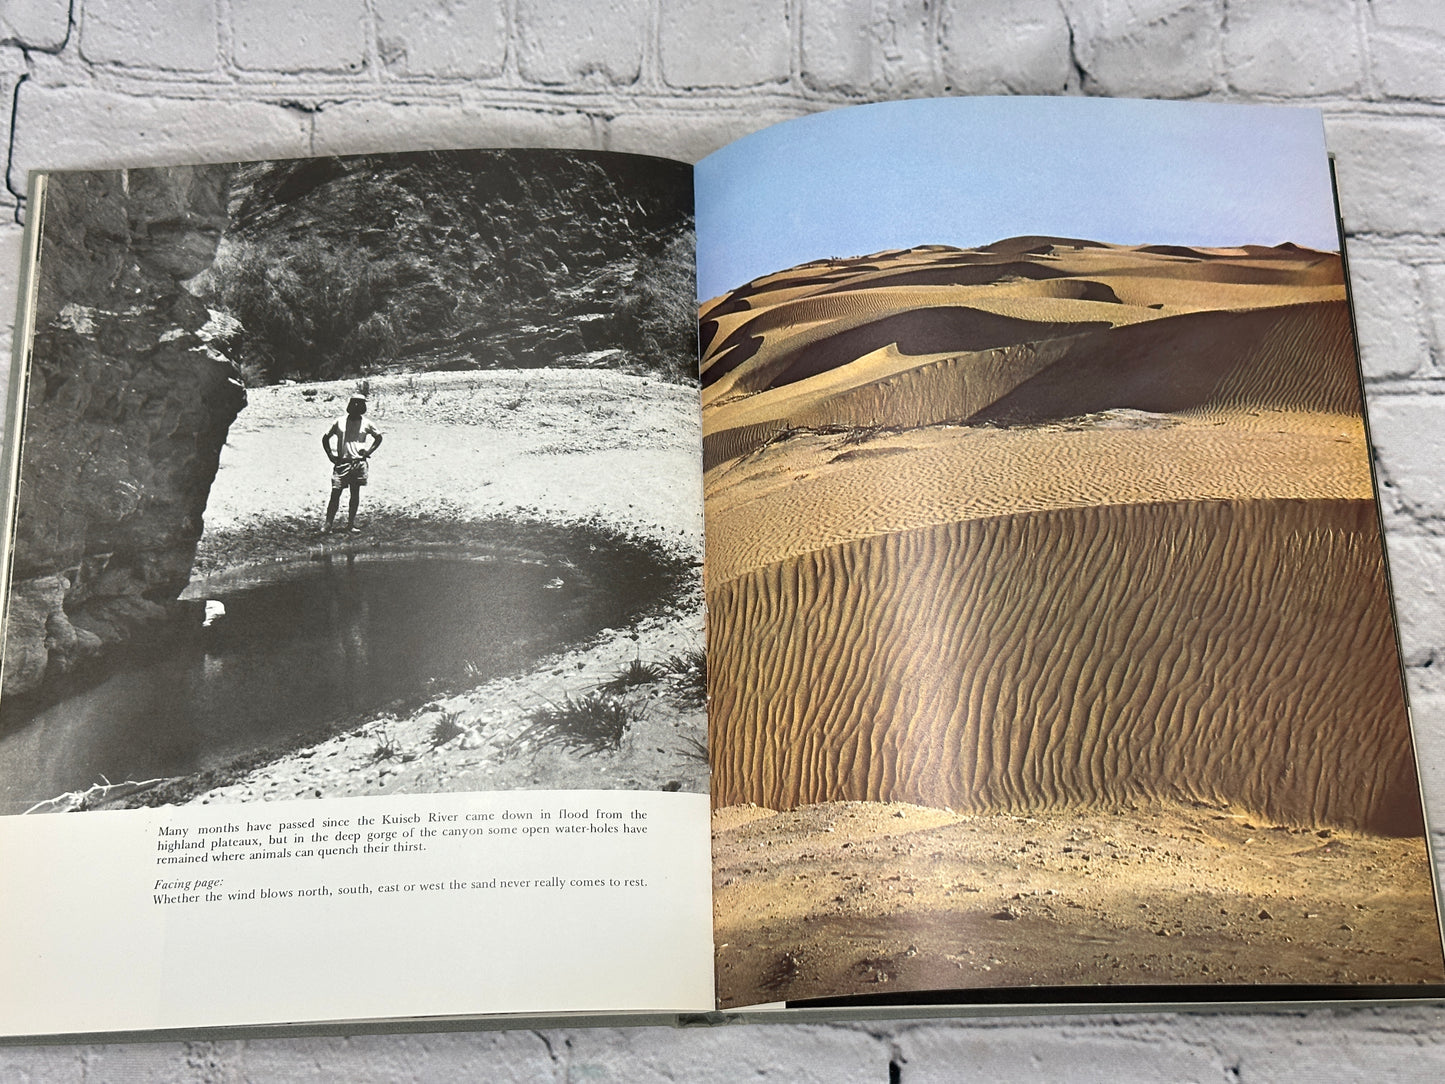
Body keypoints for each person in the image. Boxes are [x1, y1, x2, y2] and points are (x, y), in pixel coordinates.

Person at [323, 394, 383, 533]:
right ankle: (328, 524)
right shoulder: (340, 421)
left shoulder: (367, 423)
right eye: (354, 403)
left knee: (354, 494)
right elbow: (325, 438)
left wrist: (368, 452)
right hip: (342, 463)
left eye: (360, 404)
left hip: (358, 463)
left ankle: (350, 524)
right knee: (335, 493)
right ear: (350, 405)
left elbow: (378, 437)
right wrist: (331, 456)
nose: (357, 407)